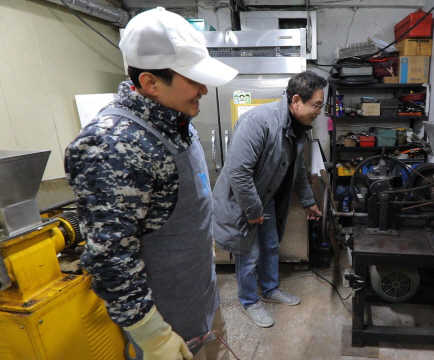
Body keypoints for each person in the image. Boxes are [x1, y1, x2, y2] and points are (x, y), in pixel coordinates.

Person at [65, 7, 238, 360]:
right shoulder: (112, 145)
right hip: (164, 323)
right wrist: (152, 335)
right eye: (193, 79)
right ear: (150, 83)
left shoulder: (176, 123)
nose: (204, 88)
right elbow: (110, 255)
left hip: (200, 298)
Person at [211, 71, 327, 328]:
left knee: (271, 246)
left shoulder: (298, 130)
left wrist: (308, 201)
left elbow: (296, 170)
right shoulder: (259, 122)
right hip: (243, 201)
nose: (319, 112)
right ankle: (250, 301)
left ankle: (270, 289)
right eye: (316, 105)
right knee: (248, 254)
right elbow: (238, 172)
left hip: (268, 198)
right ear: (296, 101)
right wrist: (252, 210)